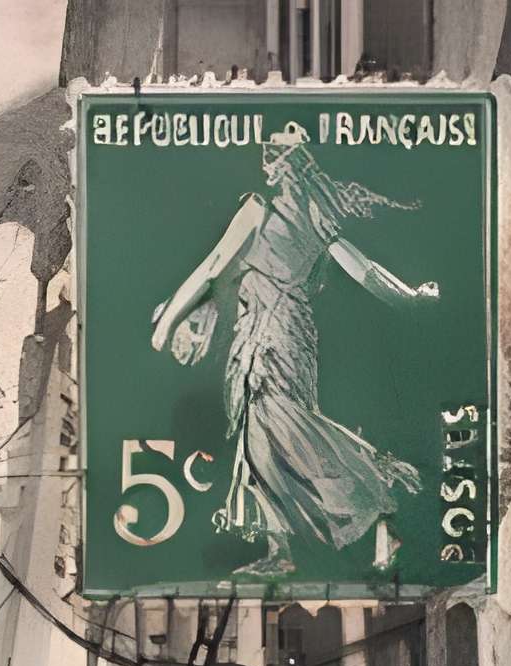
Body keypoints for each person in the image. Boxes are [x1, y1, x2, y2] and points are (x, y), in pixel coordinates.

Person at [148, 125, 439, 577]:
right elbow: (363, 270)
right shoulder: (317, 215)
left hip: (273, 333)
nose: (266, 161)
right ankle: (296, 545)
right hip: (277, 332)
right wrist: (408, 296)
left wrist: (167, 322)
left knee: (275, 429)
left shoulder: (257, 208)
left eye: (273, 153)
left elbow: (211, 268)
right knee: (264, 434)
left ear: (286, 161)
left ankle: (369, 503)